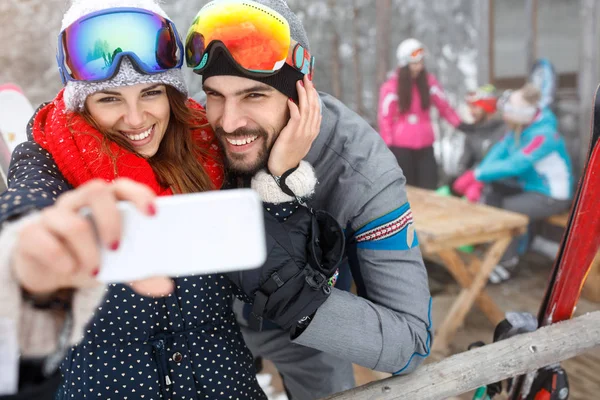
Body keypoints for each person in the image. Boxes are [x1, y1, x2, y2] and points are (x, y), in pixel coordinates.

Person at [0, 0, 330, 398]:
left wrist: (279, 179)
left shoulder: (209, 148)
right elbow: (26, 203)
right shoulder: (49, 154)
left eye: (151, 93)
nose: (136, 119)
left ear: (171, 93)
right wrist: (28, 243)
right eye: (109, 99)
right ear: (82, 102)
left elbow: (272, 284)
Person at [184, 1, 432, 398]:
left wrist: (281, 183)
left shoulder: (361, 171)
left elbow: (412, 340)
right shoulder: (195, 129)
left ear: (300, 94)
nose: (228, 122)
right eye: (215, 94)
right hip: (208, 321)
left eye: (254, 95)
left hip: (302, 331)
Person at [453, 83, 574, 283]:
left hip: (552, 195)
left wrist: (478, 174)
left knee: (506, 212)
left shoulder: (543, 135)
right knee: (491, 196)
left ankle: (507, 262)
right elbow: (499, 151)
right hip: (530, 188)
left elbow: (516, 164)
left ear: (520, 114)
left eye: (508, 113)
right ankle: (498, 250)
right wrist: (479, 173)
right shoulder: (522, 126)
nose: (504, 117)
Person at [378, 37, 472, 189]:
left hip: (425, 144)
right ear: (404, 64)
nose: (419, 67)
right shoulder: (391, 87)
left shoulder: (429, 82)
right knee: (408, 189)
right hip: (401, 147)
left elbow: (444, 106)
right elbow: (385, 118)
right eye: (414, 63)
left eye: (421, 63)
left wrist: (459, 124)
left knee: (429, 187)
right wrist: (387, 146)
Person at [455, 84, 507, 179]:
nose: (471, 111)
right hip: (475, 181)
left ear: (488, 107)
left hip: (499, 182)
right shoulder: (472, 132)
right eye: (469, 107)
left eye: (474, 107)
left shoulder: (504, 130)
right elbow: (464, 162)